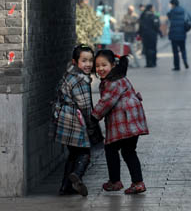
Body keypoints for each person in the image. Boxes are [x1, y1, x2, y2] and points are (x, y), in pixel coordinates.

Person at [91, 50, 149, 195]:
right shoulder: (119, 77)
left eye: (104, 65)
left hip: (125, 123)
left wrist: (93, 117)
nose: (100, 69)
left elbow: (106, 102)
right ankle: (137, 182)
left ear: (113, 65)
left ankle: (116, 182)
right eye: (97, 66)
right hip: (130, 122)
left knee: (112, 149)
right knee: (128, 151)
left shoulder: (113, 82)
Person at [52, 44, 102, 196]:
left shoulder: (69, 75)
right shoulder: (80, 80)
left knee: (73, 154)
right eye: (84, 61)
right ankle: (77, 177)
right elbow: (85, 106)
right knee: (85, 152)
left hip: (63, 118)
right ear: (75, 62)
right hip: (75, 119)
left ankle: (65, 187)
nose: (88, 64)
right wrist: (91, 126)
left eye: (90, 60)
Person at [167, 0, 191, 71]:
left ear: (173, 4)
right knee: (183, 49)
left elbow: (168, 17)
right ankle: (185, 61)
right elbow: (189, 19)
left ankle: (177, 66)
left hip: (174, 35)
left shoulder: (171, 12)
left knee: (175, 52)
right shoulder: (184, 10)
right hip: (182, 34)